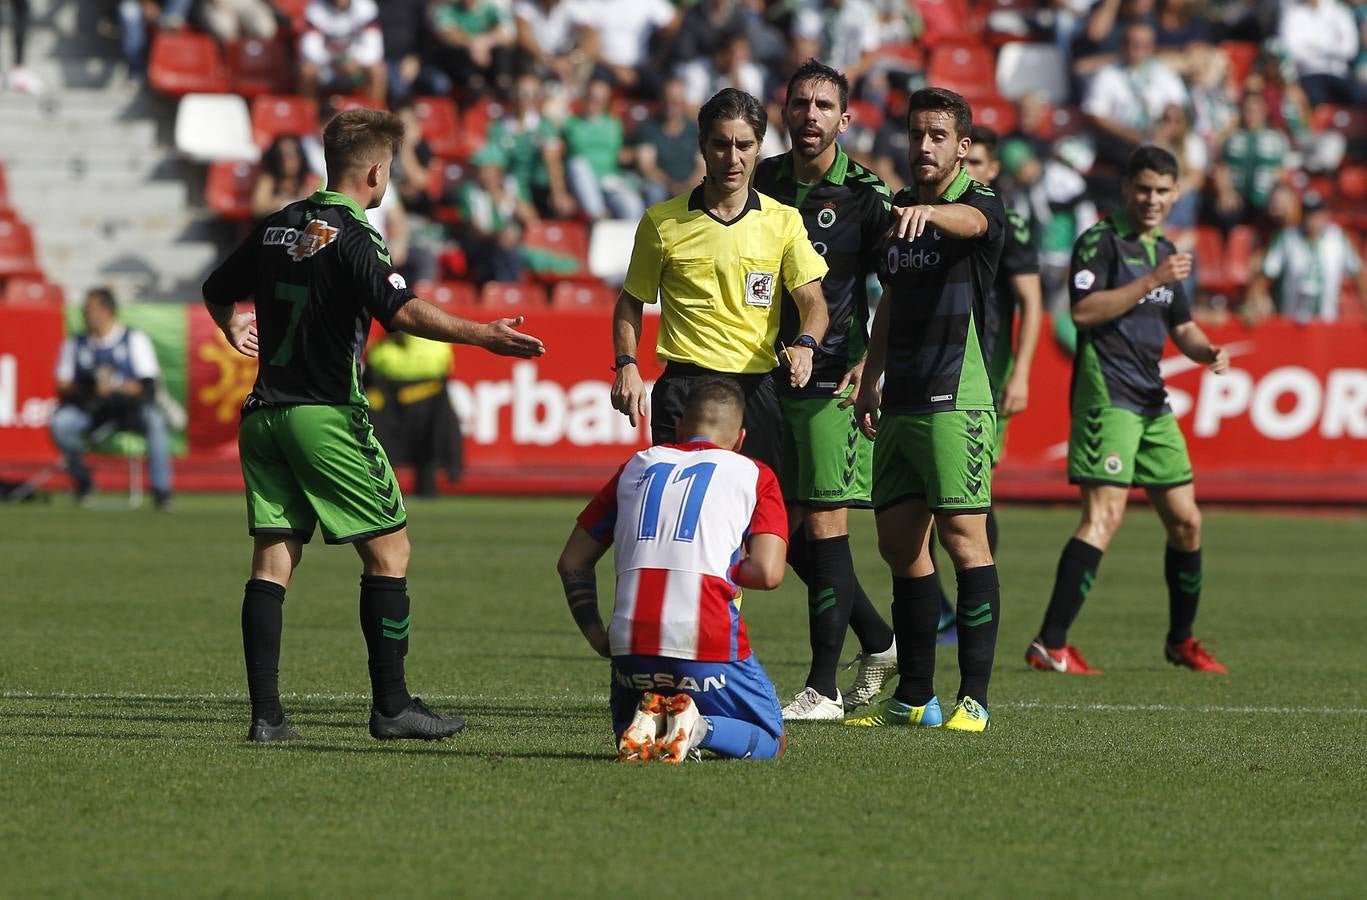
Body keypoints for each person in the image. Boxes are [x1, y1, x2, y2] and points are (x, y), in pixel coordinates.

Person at [201, 108, 545, 743]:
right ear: (378, 171)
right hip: (323, 415)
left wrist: (231, 323)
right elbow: (403, 311)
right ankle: (391, 705)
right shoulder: (356, 236)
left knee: (273, 559)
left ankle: (267, 717)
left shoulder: (281, 223)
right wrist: (483, 335)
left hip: (264, 418)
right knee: (390, 551)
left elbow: (217, 284)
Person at [1026, 145, 1230, 677]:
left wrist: (1206, 350)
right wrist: (1151, 280)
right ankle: (1052, 642)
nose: (1152, 200)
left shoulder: (1163, 249)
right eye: (1144, 189)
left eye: (1163, 191)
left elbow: (1181, 326)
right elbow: (1083, 310)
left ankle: (1181, 640)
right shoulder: (1100, 241)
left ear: (1176, 194)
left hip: (1151, 398)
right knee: (1104, 517)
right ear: (1126, 189)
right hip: (1106, 394)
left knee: (1187, 522)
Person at [845, 87, 1006, 733]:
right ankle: (915, 696)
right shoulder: (898, 212)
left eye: (938, 135)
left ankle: (974, 699)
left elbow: (973, 225)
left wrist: (932, 216)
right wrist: (868, 379)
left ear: (962, 146)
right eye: (916, 134)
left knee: (964, 542)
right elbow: (888, 302)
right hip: (901, 398)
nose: (924, 146)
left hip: (955, 398)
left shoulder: (979, 203)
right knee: (897, 546)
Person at [750, 60, 899, 721]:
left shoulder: (867, 194)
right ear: (783, 112)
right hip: (759, 376)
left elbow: (898, 285)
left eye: (823, 105)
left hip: (834, 375)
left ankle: (824, 688)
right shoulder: (759, 183)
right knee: (782, 531)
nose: (810, 114)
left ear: (845, 119)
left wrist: (874, 366)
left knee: (827, 521)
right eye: (800, 102)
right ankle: (878, 639)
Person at [556, 377, 789, 762]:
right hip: (706, 641)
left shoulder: (637, 465)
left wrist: (598, 635)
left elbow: (572, 561)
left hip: (631, 650)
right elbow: (767, 572)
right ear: (741, 438)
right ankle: (697, 727)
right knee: (771, 741)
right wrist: (724, 571)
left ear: (679, 429)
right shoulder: (755, 474)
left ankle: (658, 722)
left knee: (644, 732)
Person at [609, 87, 830, 477]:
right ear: (702, 146)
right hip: (685, 388)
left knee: (755, 519)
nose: (733, 158)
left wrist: (806, 346)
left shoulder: (782, 221)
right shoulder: (662, 222)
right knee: (681, 516)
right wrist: (626, 364)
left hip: (755, 390)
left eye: (744, 145)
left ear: (759, 146)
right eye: (721, 145)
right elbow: (631, 300)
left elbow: (812, 300)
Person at [962, 125, 1043, 572]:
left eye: (977, 164)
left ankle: (973, 599)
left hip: (986, 375)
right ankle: (944, 606)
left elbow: (1031, 302)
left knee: (972, 491)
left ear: (993, 169)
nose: (968, 171)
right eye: (964, 161)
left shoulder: (1007, 222)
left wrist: (1022, 373)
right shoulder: (934, 212)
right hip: (934, 367)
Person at [50, 288, 175, 510]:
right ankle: (83, 481)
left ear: (107, 310)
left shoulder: (134, 339)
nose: (85, 315)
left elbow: (147, 385)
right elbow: (63, 384)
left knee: (155, 420)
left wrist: (117, 387)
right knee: (61, 423)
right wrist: (91, 388)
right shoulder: (75, 344)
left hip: (129, 410)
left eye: (89, 310)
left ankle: (162, 491)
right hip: (92, 409)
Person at [1246, 191, 1367, 323]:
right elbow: (1265, 275)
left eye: (1316, 214)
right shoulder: (1287, 237)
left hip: (1327, 324)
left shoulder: (1338, 238)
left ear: (1325, 215)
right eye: (1308, 215)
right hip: (1290, 322)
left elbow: (1358, 273)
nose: (1312, 220)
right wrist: (1256, 301)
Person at [298, 0, 387, 104]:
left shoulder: (366, 7)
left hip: (356, 68)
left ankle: (375, 116)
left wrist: (355, 60)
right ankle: (309, 116)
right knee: (307, 71)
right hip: (327, 68)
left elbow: (374, 49)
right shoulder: (314, 9)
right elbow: (310, 50)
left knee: (378, 70)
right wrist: (333, 62)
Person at [251, 135, 319, 220]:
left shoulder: (308, 179)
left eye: (290, 154)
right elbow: (258, 208)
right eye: (280, 154)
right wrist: (286, 202)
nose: (285, 159)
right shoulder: (268, 179)